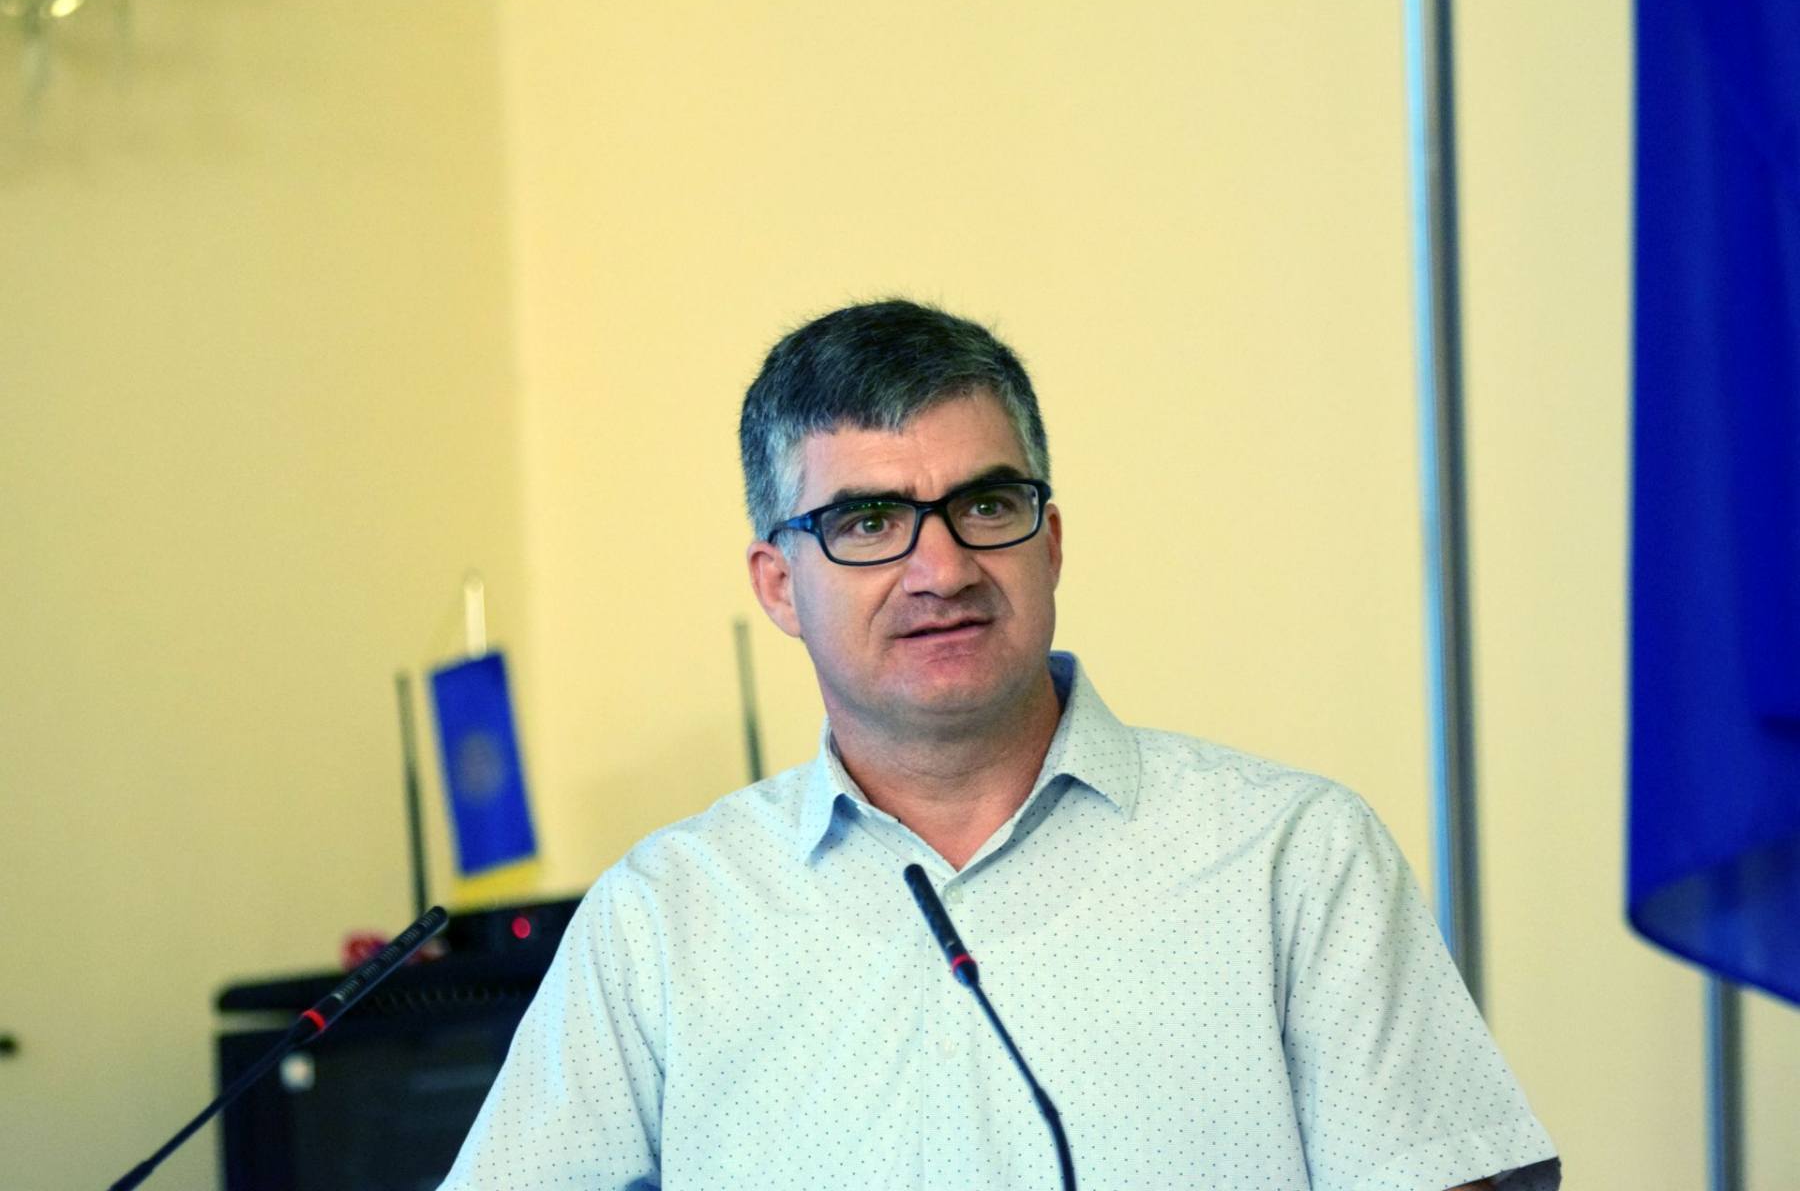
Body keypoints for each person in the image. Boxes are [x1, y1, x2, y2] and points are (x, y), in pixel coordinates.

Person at [441, 300, 1559, 1190]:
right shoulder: (664, 919)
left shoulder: (1293, 858)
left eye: (985, 505)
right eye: (869, 522)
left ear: (1050, 541)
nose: (942, 570)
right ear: (778, 585)